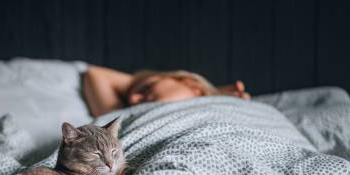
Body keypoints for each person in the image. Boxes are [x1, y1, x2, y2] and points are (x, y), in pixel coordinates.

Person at [82, 65, 250, 117]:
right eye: (129, 101)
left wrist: (210, 93)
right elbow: (95, 74)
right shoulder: (127, 116)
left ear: (189, 83)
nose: (133, 99)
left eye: (148, 87)